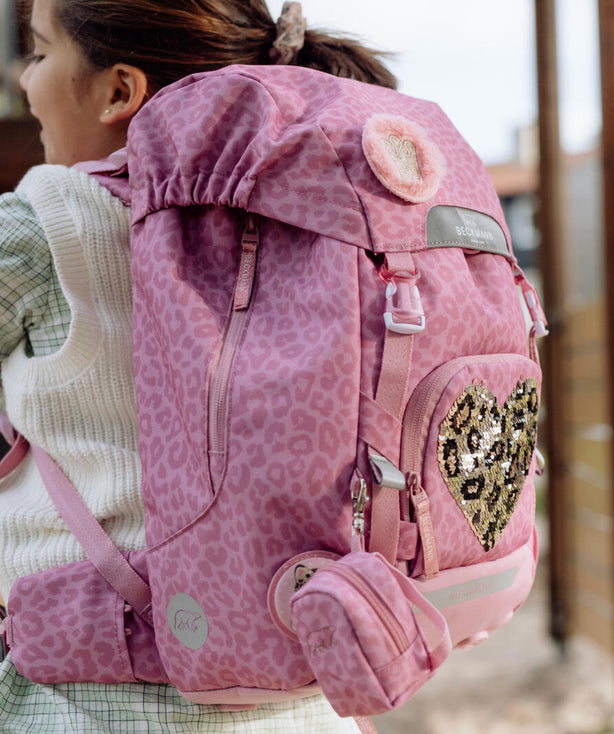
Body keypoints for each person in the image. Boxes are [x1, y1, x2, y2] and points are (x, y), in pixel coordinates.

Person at [0, 0, 395, 731]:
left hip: (89, 695)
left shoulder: (47, 221)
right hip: (298, 696)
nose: (27, 80)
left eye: (40, 51)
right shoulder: (306, 227)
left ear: (119, 90)